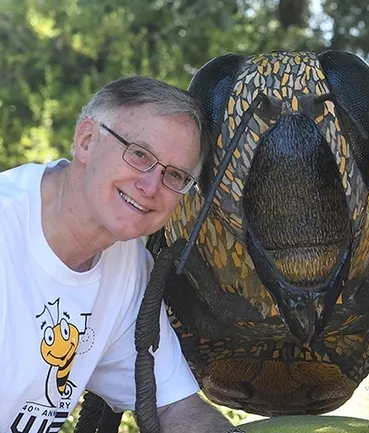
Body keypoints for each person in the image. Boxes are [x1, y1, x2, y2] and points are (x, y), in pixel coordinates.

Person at [0, 76, 240, 432]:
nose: (150, 186)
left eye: (175, 175)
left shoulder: (128, 265)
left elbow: (175, 407)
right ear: (86, 141)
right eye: (139, 154)